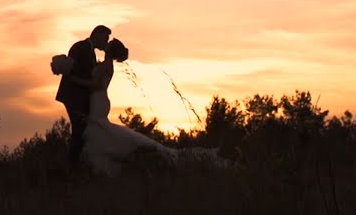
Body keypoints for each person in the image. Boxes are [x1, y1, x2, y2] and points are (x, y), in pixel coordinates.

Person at [81, 38, 227, 176]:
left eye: (109, 42)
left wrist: (73, 78)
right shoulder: (105, 64)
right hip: (99, 101)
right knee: (102, 133)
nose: (106, 43)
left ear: (110, 50)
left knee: (102, 133)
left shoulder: (106, 65)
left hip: (98, 100)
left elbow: (96, 85)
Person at [55, 25, 111, 165]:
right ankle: (72, 164)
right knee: (79, 131)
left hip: (80, 97)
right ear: (97, 35)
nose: (106, 42)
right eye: (105, 38)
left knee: (81, 131)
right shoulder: (80, 47)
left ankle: (76, 163)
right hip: (73, 96)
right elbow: (70, 70)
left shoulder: (90, 51)